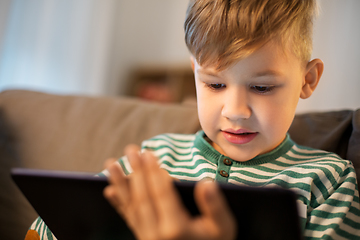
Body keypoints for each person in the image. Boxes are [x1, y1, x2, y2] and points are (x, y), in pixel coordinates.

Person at [26, 0, 360, 239]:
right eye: (215, 84)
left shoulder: (329, 181)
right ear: (195, 75)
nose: (235, 110)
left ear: (308, 79)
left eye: (261, 86)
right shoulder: (152, 160)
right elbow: (49, 227)